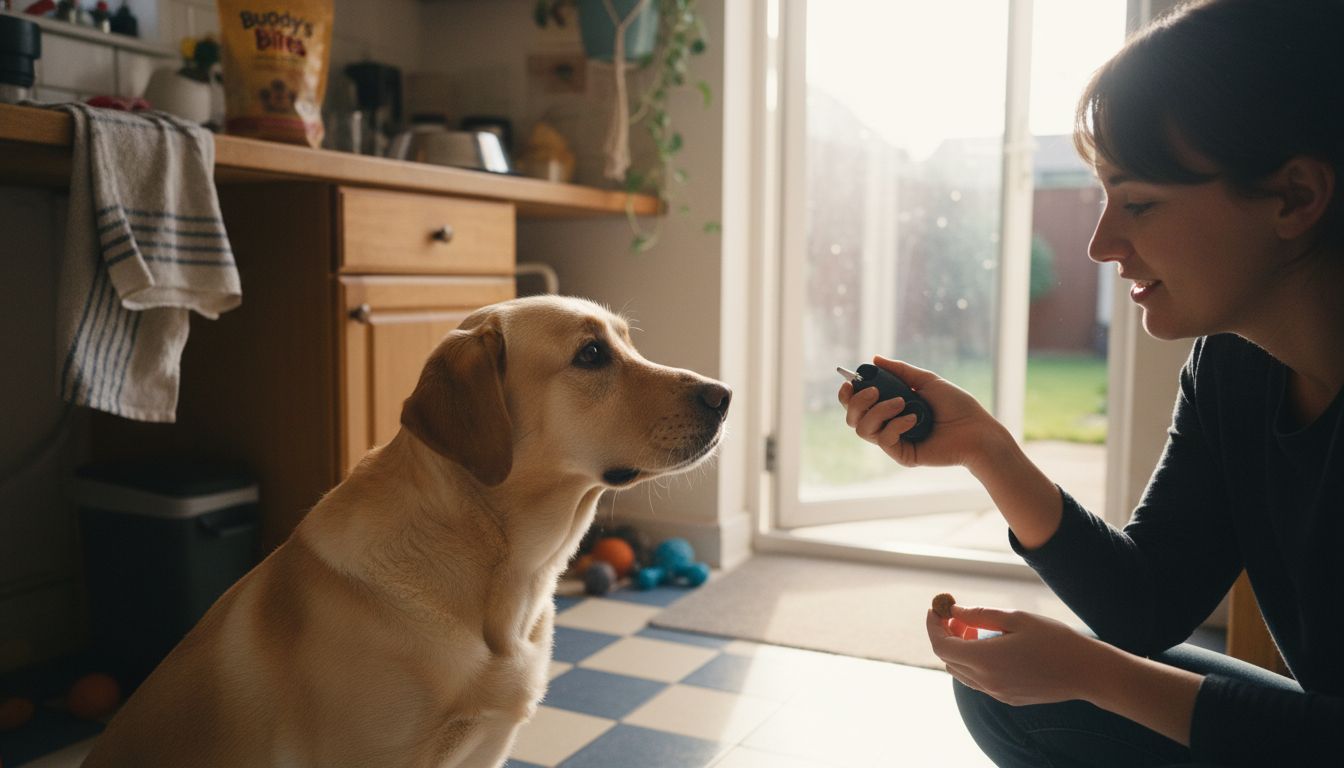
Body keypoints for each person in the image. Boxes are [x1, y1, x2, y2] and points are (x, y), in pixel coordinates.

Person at [838, 0, 1344, 764]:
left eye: (1138, 202)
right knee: (1003, 685)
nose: (1103, 244)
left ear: (1295, 197)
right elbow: (1146, 604)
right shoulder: (1233, 368)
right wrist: (989, 451)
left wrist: (1096, 674)